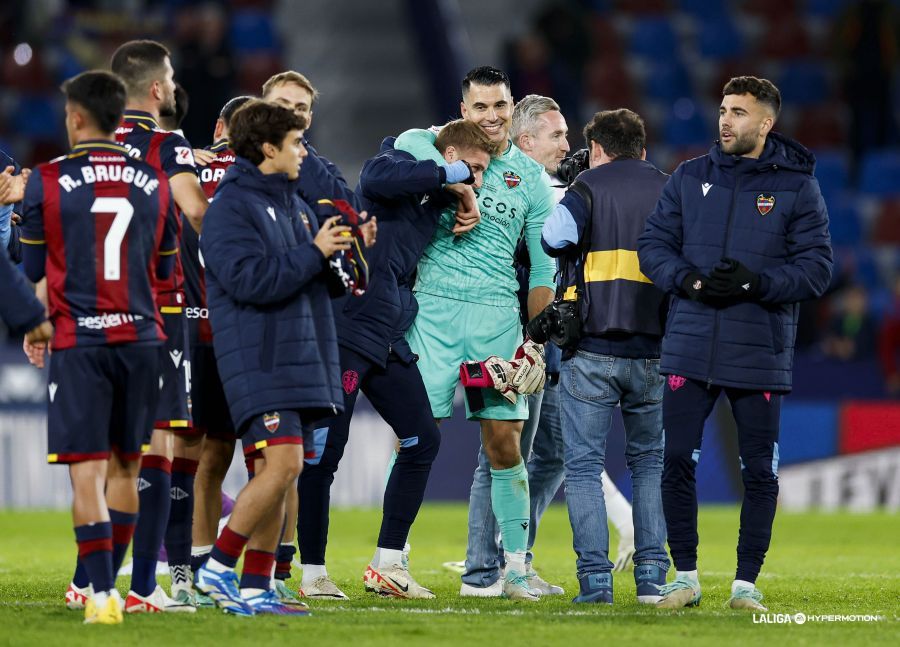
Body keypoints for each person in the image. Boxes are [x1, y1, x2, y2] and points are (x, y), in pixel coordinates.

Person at [637, 76, 833, 611]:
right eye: (723, 110)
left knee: (758, 470)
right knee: (675, 456)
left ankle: (746, 583)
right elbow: (653, 244)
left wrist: (758, 284)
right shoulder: (689, 176)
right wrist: (690, 281)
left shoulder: (797, 187)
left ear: (766, 123)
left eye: (739, 112)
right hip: (691, 344)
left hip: (758, 350)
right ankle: (686, 576)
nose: (725, 120)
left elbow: (817, 269)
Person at [296, 119, 498, 600]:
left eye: (482, 172)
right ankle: (311, 572)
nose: (477, 179)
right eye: (473, 167)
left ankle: (388, 564)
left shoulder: (440, 193)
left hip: (385, 335)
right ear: (447, 155)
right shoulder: (397, 164)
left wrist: (461, 190)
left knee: (423, 437)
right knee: (325, 453)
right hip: (347, 327)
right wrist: (451, 177)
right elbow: (377, 180)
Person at [18, 70, 179, 624]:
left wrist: (34, 322)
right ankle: (114, 588)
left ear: (80, 117)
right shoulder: (155, 180)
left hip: (80, 338)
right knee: (126, 466)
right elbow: (163, 269)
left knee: (85, 471)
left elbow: (36, 270)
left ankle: (101, 594)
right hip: (140, 337)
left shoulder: (45, 179)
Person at [394, 66, 557, 601]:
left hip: (495, 317)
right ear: (463, 110)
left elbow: (539, 271)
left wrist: (534, 339)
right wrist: (453, 171)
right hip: (433, 314)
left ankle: (515, 569)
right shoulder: (429, 147)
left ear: (513, 107)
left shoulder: (530, 179)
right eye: (480, 107)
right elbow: (405, 145)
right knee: (416, 439)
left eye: (500, 106)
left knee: (505, 444)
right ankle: (393, 559)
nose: (491, 117)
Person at [194, 99, 348, 616]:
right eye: (296, 143)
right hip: (259, 356)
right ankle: (218, 567)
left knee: (281, 470)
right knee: (280, 465)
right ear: (267, 149)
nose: (304, 151)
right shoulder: (230, 206)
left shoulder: (294, 206)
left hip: (298, 354)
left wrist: (341, 259)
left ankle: (258, 586)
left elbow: (310, 278)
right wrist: (315, 253)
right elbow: (249, 281)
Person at [541, 108, 670, 604]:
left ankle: (596, 582)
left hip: (591, 347)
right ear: (641, 146)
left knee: (581, 468)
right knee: (649, 466)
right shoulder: (669, 188)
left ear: (596, 149)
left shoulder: (587, 189)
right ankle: (653, 579)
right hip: (654, 350)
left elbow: (554, 239)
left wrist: (579, 189)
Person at [107, 39, 208, 612]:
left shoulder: (89, 146)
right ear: (154, 89)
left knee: (111, 448)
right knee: (161, 438)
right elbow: (195, 209)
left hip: (96, 309)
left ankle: (89, 579)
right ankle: (145, 585)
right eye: (168, 78)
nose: (172, 86)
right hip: (158, 306)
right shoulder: (166, 142)